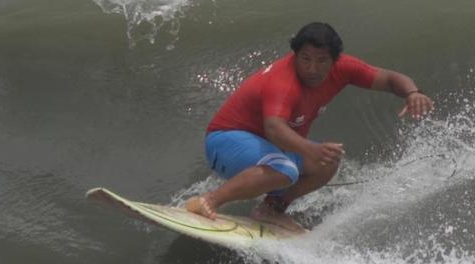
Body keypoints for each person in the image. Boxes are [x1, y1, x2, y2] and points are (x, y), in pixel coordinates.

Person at [185, 22, 434, 232]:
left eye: (321, 61)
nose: (312, 68)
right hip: (225, 141)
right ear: (296, 55)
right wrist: (308, 149)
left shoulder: (344, 68)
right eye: (305, 59)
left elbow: (390, 79)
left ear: (334, 60)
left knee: (328, 162)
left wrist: (413, 92)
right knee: (286, 169)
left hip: (264, 147)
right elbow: (273, 128)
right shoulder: (283, 82)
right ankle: (208, 201)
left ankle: (271, 208)